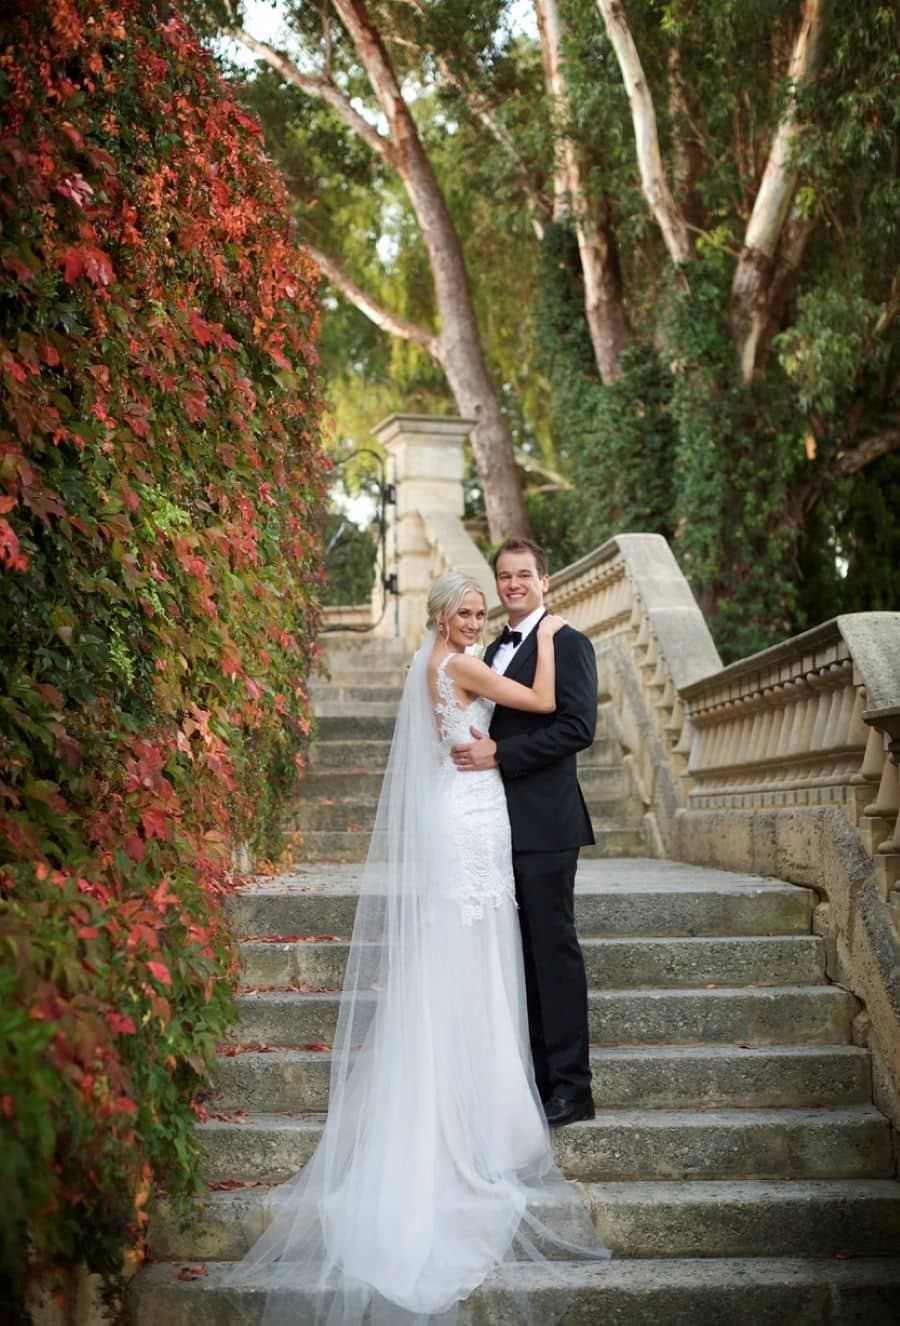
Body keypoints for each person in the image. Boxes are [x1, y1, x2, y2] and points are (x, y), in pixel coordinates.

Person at [221, 570, 608, 1326]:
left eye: (478, 611)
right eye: (463, 612)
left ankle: (483, 1087)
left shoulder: (438, 660)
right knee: (475, 945)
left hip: (464, 807)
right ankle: (477, 1109)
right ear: (439, 616)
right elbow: (541, 702)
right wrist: (554, 633)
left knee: (469, 948)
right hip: (468, 817)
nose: (473, 621)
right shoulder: (460, 661)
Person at [451, 539, 597, 1128]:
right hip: (494, 825)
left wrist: (501, 755)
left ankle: (572, 1088)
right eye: (504, 577)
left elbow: (578, 726)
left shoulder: (568, 642)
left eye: (523, 575)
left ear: (545, 580)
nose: (513, 584)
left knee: (552, 952)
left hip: (546, 823)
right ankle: (535, 1082)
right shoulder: (489, 648)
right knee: (520, 957)